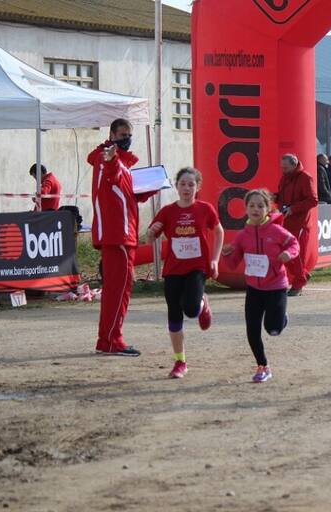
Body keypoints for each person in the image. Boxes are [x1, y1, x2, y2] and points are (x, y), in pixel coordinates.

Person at [88, 118, 157, 356]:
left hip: (121, 234)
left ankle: (107, 339)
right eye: (122, 135)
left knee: (117, 289)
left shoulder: (121, 162)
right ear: (112, 135)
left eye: (129, 135)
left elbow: (124, 193)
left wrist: (149, 189)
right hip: (117, 234)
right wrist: (112, 160)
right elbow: (112, 173)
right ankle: (111, 340)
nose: (127, 139)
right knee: (119, 290)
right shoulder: (106, 158)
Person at [146, 168, 224, 379]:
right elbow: (150, 237)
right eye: (183, 184)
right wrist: (151, 233)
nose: (187, 188)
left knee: (190, 309)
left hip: (197, 267)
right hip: (173, 269)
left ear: (198, 187)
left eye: (191, 184)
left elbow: (219, 231)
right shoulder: (167, 211)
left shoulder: (205, 209)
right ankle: (180, 361)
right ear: (176, 186)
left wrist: (215, 259)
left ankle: (202, 302)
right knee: (174, 313)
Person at [223, 189, 300, 383]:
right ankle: (262, 366)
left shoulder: (276, 231)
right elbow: (232, 263)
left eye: (260, 206)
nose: (255, 209)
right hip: (254, 289)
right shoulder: (242, 236)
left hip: (276, 287)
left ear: (267, 209)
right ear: (246, 209)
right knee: (252, 330)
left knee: (273, 329)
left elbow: (294, 244)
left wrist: (288, 254)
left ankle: (281, 318)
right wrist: (226, 254)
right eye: (251, 206)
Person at [276, 153, 318, 297]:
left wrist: (293, 209)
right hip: (287, 222)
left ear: (294, 165)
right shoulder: (285, 177)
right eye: (282, 167)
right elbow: (282, 197)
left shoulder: (305, 178)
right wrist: (274, 197)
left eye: (286, 167)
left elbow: (313, 200)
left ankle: (298, 283)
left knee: (296, 255)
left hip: (300, 224)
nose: (283, 170)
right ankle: (303, 275)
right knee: (283, 252)